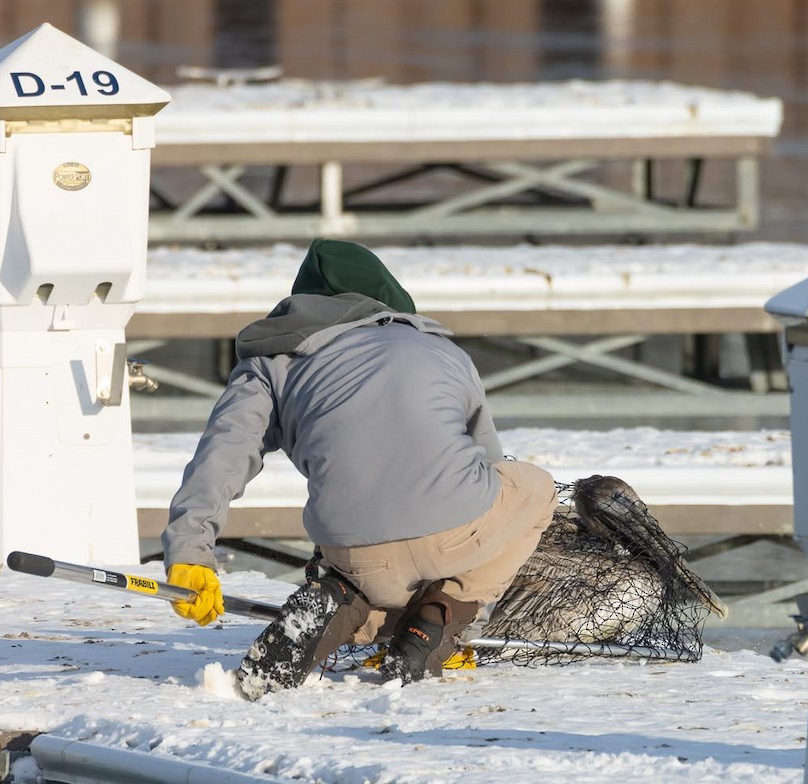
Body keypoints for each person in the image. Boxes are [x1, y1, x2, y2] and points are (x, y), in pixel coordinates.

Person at [161, 237, 556, 696]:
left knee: (371, 572)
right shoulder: (443, 352)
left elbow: (223, 455)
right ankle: (438, 622)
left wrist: (190, 553)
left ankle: (338, 600)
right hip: (456, 535)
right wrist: (472, 615)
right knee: (536, 488)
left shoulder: (272, 364)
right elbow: (487, 467)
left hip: (351, 551)